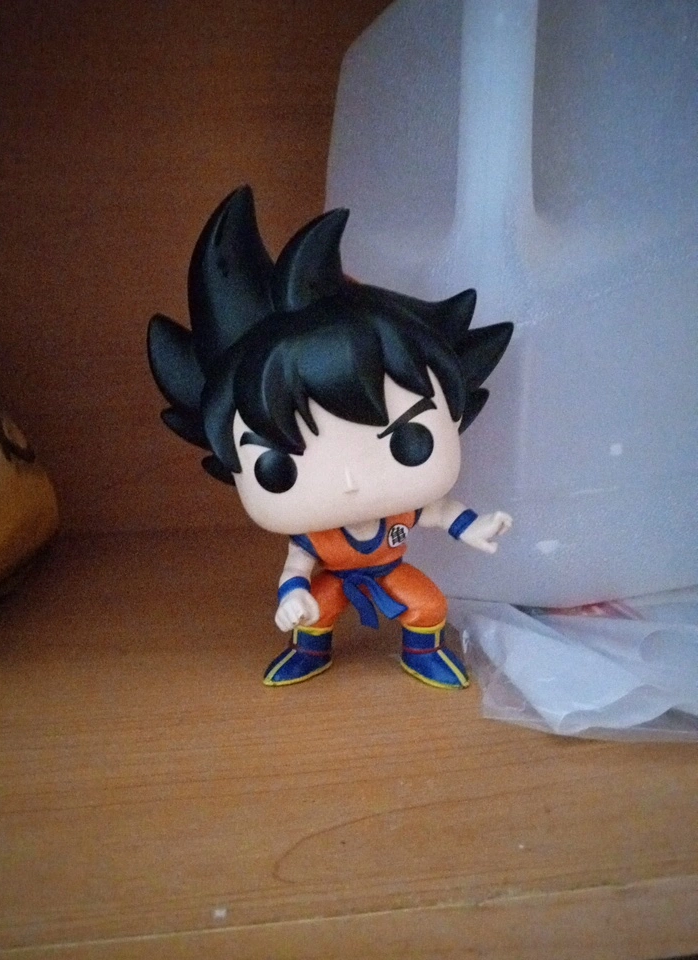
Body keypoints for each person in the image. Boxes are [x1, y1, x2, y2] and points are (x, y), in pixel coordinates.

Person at [148, 187, 513, 688]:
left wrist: (475, 527)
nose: (349, 482)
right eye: (279, 468)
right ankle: (309, 650)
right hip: (333, 579)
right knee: (315, 612)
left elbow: (441, 512)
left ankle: (424, 650)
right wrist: (291, 595)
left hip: (389, 572)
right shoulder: (315, 535)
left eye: (407, 439)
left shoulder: (399, 515)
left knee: (429, 603)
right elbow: (297, 567)